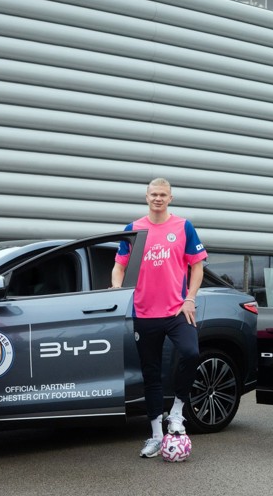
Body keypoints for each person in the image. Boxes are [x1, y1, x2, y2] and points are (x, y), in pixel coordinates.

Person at [111, 178, 207, 458]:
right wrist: (117, 291)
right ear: (146, 196)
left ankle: (176, 413)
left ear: (170, 198)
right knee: (151, 374)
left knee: (191, 353)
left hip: (177, 310)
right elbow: (119, 266)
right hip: (144, 313)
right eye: (154, 194)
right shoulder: (134, 229)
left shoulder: (183, 226)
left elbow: (197, 267)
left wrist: (190, 298)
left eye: (163, 195)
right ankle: (155, 435)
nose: (158, 198)